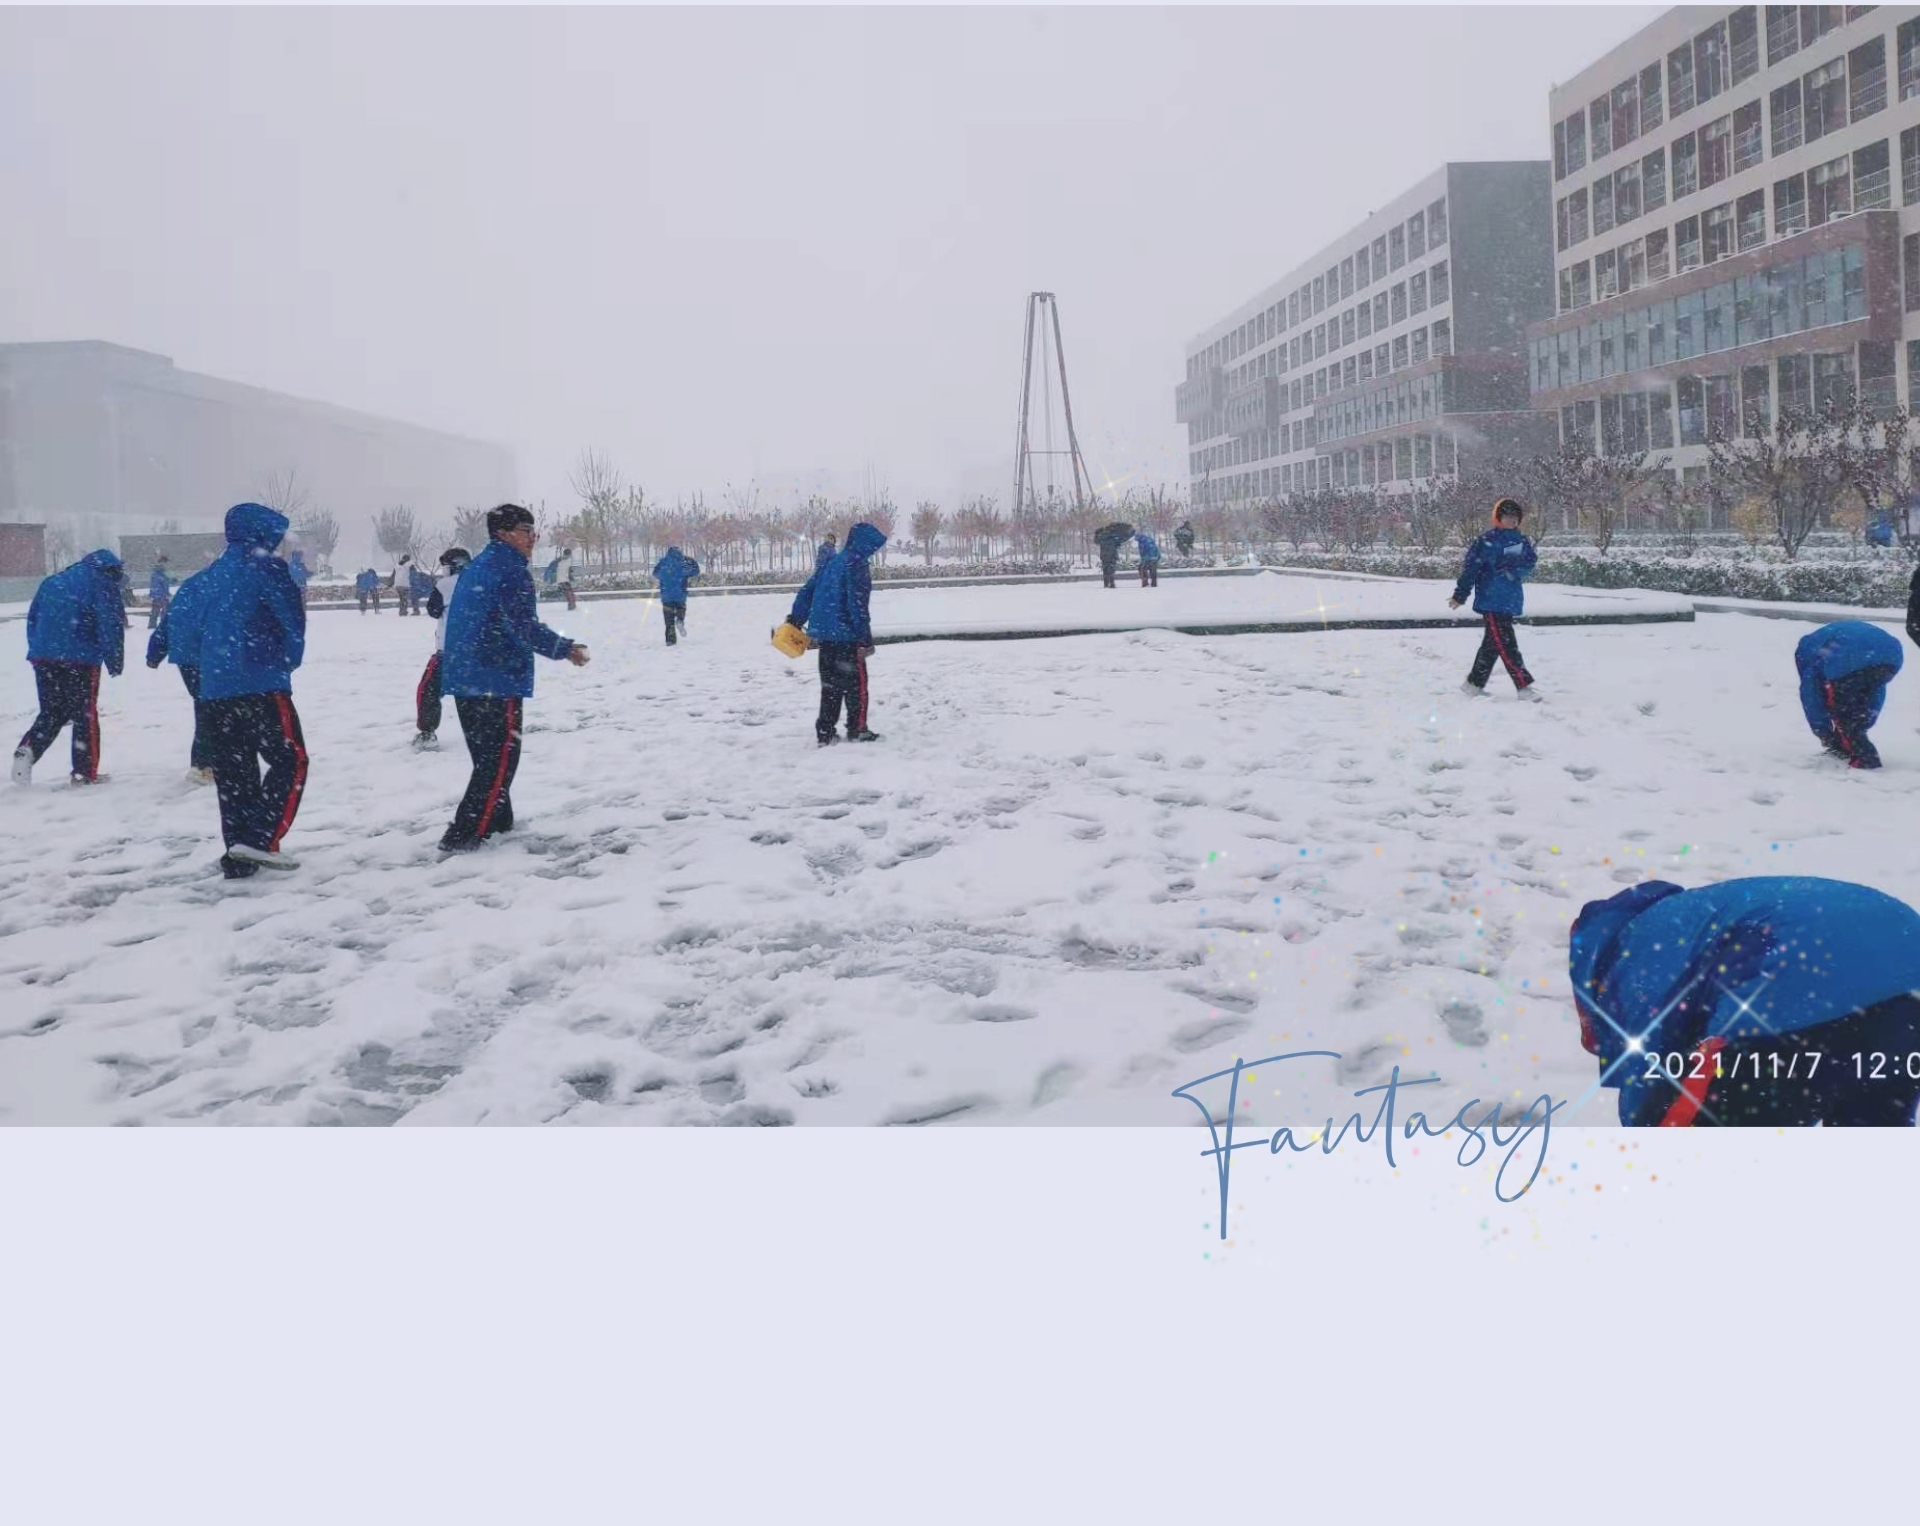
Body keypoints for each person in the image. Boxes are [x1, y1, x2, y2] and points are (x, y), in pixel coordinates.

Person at [1569, 876, 1920, 1127]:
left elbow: (1652, 1074)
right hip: (1908, 977)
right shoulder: (1696, 911)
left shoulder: (1632, 956)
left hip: (1798, 997)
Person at [438, 504, 590, 852]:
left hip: (466, 676)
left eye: (533, 531)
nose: (532, 538)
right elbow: (521, 624)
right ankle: (463, 834)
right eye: (525, 530)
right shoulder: (509, 569)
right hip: (495, 675)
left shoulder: (479, 567)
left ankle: (498, 819)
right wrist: (564, 648)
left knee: (487, 756)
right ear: (503, 534)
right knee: (500, 758)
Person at [188, 504, 308, 879]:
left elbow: (190, 625)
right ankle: (260, 839)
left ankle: (238, 854)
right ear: (264, 533)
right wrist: (285, 661)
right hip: (259, 680)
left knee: (234, 772)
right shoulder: (268, 568)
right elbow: (291, 620)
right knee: (291, 759)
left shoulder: (211, 573)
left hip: (215, 687)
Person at [11, 549, 125, 787]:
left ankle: (27, 749)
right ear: (111, 569)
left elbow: (33, 619)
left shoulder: (52, 581)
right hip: (81, 659)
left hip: (44, 657)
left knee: (52, 711)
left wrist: (39, 651)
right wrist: (114, 659)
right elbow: (109, 623)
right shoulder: (101, 582)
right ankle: (84, 773)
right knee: (86, 715)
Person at [788, 522, 886, 746]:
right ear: (865, 544)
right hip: (847, 637)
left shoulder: (832, 562)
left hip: (826, 636)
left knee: (830, 687)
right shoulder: (856, 565)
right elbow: (858, 605)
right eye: (873, 546)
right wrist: (864, 639)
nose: (874, 551)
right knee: (856, 686)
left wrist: (795, 618)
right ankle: (857, 728)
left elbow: (808, 591)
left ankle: (825, 731)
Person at [1450, 497, 1540, 700]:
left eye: (1516, 517)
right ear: (1498, 518)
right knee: (1507, 644)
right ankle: (1523, 686)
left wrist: (1513, 569)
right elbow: (1471, 569)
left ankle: (1473, 685)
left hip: (1510, 599)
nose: (1512, 520)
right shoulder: (1486, 541)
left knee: (1492, 645)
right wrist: (1460, 594)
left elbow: (1530, 563)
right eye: (1508, 516)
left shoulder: (1521, 540)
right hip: (1492, 600)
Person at [1794, 619, 1903, 770]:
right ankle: (1849, 740)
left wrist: (1823, 732)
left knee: (1842, 711)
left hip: (1849, 656)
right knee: (1865, 693)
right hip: (1892, 654)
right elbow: (1875, 692)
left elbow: (1812, 698)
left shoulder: (1809, 656)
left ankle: (1865, 759)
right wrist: (1866, 719)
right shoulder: (1824, 640)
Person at [146, 563, 218, 785]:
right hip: (208, 653)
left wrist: (155, 651)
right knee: (212, 709)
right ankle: (203, 764)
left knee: (205, 706)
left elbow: (171, 618)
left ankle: (204, 763)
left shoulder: (192, 584)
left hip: (186, 655)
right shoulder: (226, 584)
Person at [414, 547, 471, 751]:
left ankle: (427, 733)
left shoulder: (445, 586)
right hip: (475, 652)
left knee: (428, 690)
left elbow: (433, 610)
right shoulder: (482, 584)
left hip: (448, 652)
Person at [653, 545, 702, 645]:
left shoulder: (663, 563)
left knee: (669, 619)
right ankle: (680, 620)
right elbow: (696, 571)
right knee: (681, 608)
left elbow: (655, 573)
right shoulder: (683, 563)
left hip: (666, 595)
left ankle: (670, 640)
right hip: (680, 594)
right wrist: (692, 561)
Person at [1093, 522, 1135, 589]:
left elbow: (1096, 541)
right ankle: (1112, 583)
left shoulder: (1102, 536)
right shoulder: (1114, 536)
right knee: (1111, 569)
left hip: (1104, 555)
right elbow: (1122, 540)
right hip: (1112, 555)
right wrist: (1131, 533)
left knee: (1105, 569)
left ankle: (1106, 584)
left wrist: (1097, 533)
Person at [147, 556, 173, 630]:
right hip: (160, 595)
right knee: (163, 610)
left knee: (157, 610)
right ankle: (161, 624)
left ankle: (153, 624)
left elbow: (163, 583)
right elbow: (161, 583)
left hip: (159, 594)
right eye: (166, 563)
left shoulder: (159, 572)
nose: (167, 565)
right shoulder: (159, 572)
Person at [553, 546, 577, 612]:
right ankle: (572, 606)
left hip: (564, 580)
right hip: (562, 580)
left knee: (570, 594)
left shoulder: (565, 561)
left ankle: (572, 606)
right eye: (569, 554)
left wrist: (571, 577)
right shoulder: (561, 561)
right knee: (569, 594)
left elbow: (568, 572)